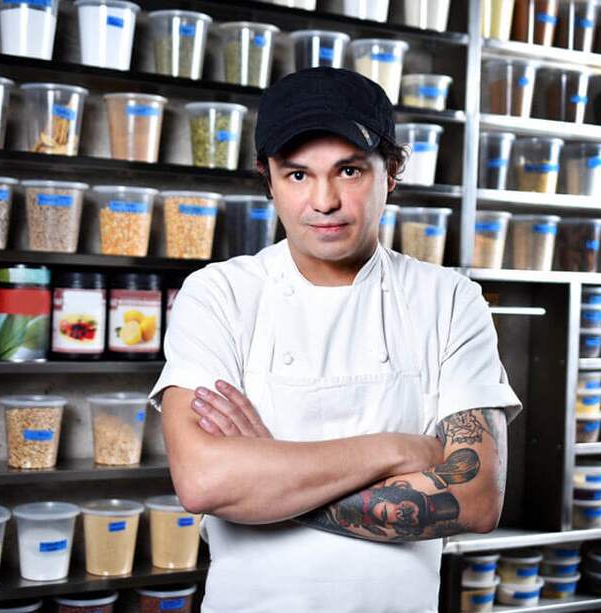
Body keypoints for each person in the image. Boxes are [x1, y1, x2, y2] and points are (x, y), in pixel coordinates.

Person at [150, 67, 521, 613]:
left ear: (392, 171)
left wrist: (265, 478)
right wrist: (394, 450)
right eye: (297, 175)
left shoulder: (449, 299)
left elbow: (475, 499)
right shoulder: (219, 294)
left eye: (348, 170)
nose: (323, 201)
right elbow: (205, 483)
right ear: (268, 178)